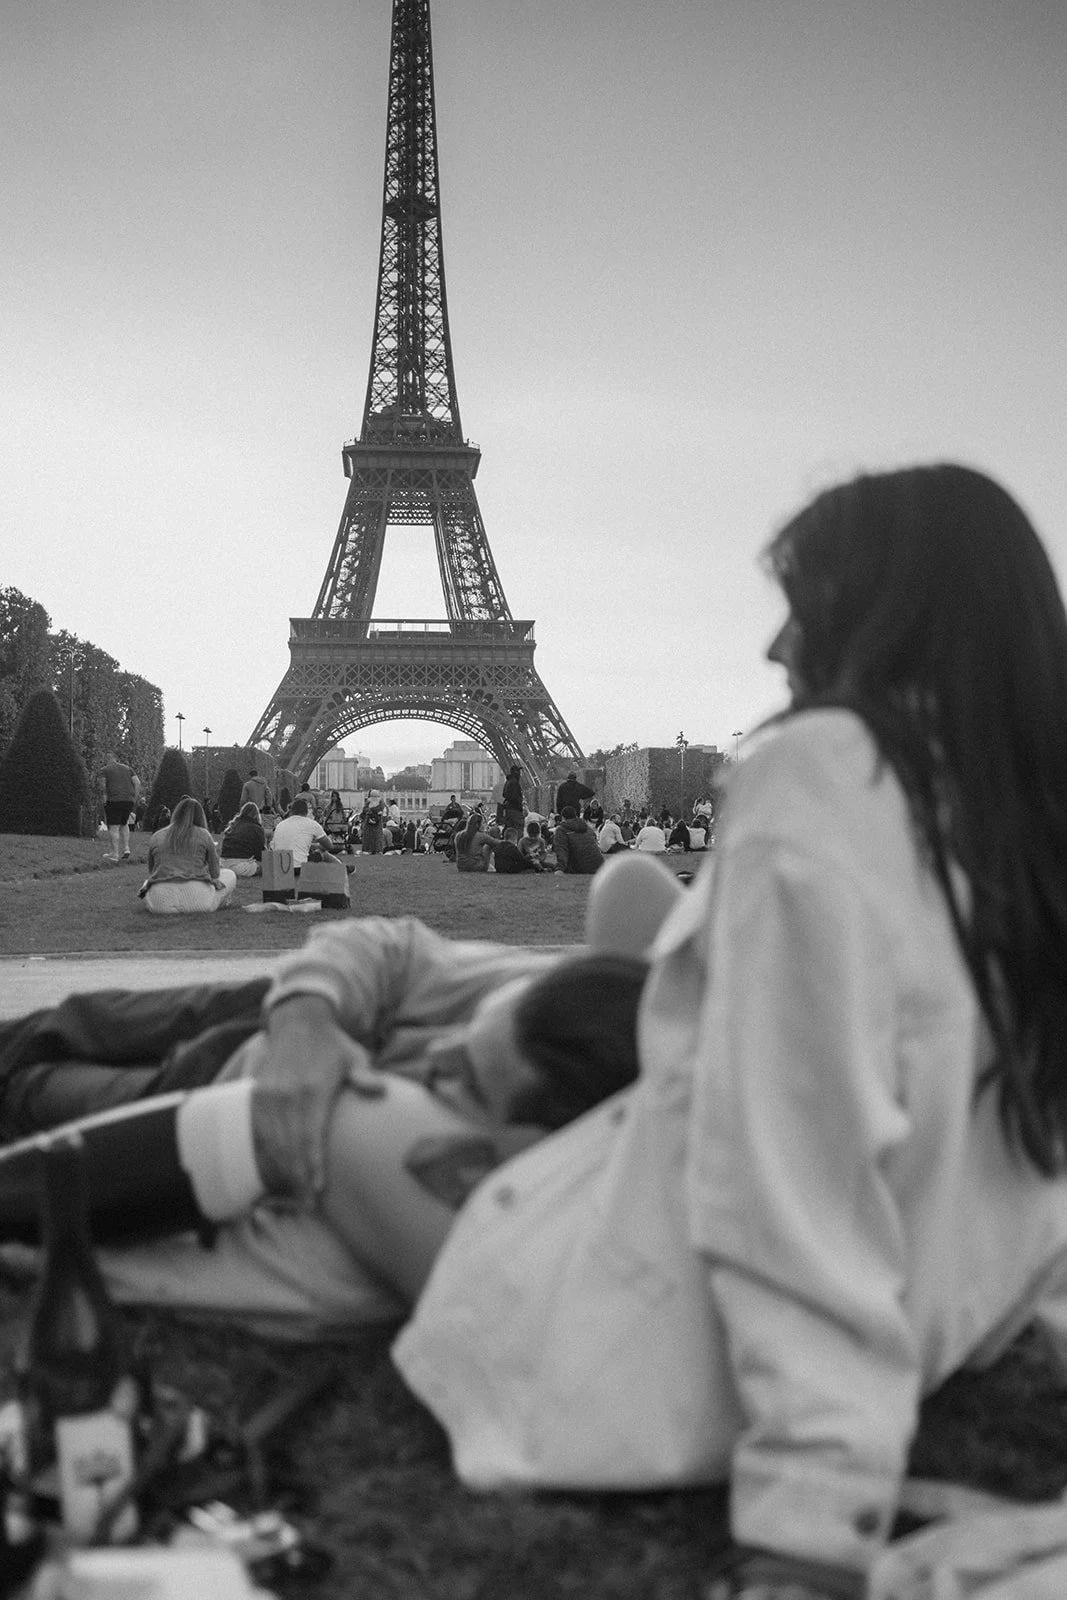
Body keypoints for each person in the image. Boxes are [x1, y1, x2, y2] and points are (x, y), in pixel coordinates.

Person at [10, 462, 1067, 1593]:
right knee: (311, 1151)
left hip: (660, 1332)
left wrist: (805, 1530)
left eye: (802, 608)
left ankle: (39, 1195)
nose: (773, 654)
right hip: (787, 1341)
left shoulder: (826, 778)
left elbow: (789, 1170)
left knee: (331, 1121)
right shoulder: (1015, 852)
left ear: (890, 613)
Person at [139, 796, 237, 914]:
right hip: (197, 898)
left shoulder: (157, 836)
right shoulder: (204, 835)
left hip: (160, 902)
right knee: (230, 874)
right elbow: (215, 873)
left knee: (146, 883)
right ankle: (221, 901)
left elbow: (152, 871)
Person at [270, 797, 345, 870]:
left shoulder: (280, 825)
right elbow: (329, 846)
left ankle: (343, 868)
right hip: (298, 868)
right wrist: (318, 846)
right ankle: (342, 869)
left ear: (292, 811)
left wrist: (312, 846)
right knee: (323, 853)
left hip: (279, 868)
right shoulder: (312, 824)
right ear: (306, 811)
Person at [97, 750, 140, 863]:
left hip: (114, 800)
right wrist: (134, 798)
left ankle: (115, 854)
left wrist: (104, 798)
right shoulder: (128, 769)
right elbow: (137, 783)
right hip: (128, 800)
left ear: (106, 759)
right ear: (115, 758)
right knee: (124, 823)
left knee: (114, 826)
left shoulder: (104, 770)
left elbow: (102, 786)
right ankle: (126, 848)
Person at [219, 801, 267, 877]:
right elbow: (260, 854)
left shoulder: (233, 826)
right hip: (239, 865)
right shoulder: (256, 829)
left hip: (222, 864)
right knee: (266, 865)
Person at [552, 807, 603, 875]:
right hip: (599, 866)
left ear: (563, 817)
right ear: (575, 815)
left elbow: (561, 849)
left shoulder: (561, 830)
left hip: (580, 866)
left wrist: (560, 868)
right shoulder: (587, 828)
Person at [360, 791, 386, 856]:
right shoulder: (381, 801)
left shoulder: (368, 801)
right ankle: (378, 850)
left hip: (369, 820)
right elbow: (382, 808)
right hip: (378, 820)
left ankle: (367, 849)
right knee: (378, 836)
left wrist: (370, 811)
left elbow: (365, 809)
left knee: (368, 836)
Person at [501, 765, 525, 835]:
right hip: (515, 810)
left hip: (509, 810)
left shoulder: (508, 781)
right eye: (518, 771)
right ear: (515, 772)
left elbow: (504, 794)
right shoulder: (514, 782)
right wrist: (519, 804)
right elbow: (515, 797)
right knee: (519, 830)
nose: (520, 774)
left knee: (509, 830)